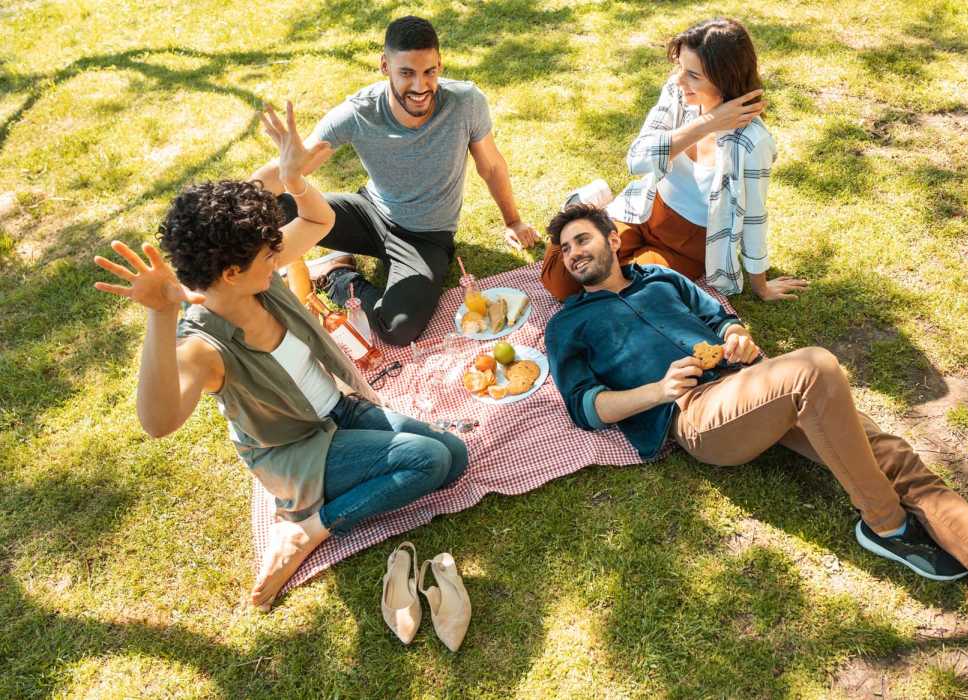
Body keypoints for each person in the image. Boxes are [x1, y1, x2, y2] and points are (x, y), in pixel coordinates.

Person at [542, 204, 968, 652]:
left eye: (581, 239)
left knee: (897, 458)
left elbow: (724, 318)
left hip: (753, 385)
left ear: (610, 238)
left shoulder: (661, 277)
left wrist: (734, 336)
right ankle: (887, 526)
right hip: (697, 419)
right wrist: (657, 391)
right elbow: (586, 407)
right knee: (813, 367)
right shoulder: (568, 325)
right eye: (566, 251)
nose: (575, 255)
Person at [93, 102, 468, 611]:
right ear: (229, 272)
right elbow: (157, 422)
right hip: (297, 450)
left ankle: (326, 501)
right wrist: (159, 315)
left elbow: (318, 217)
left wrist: (292, 179)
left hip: (340, 409)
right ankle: (308, 527)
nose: (280, 259)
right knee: (425, 460)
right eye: (268, 255)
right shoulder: (203, 345)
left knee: (454, 457)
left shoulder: (254, 277)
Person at [250, 16, 539, 346]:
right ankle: (306, 265)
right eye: (407, 73)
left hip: (426, 238)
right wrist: (226, 205)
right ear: (385, 65)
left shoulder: (465, 104)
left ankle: (338, 276)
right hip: (370, 213)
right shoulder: (359, 112)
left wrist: (513, 221)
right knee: (266, 206)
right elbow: (290, 168)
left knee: (398, 328)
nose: (420, 87)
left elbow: (491, 166)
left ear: (440, 63)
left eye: (429, 71)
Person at [541, 18, 808, 302]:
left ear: (724, 78)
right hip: (644, 208)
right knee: (560, 281)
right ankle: (580, 207)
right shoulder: (678, 92)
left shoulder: (752, 141)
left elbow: (754, 217)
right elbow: (637, 158)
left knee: (622, 294)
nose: (680, 80)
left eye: (693, 74)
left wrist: (761, 285)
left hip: (687, 244)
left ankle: (587, 216)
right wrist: (707, 123)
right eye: (680, 67)